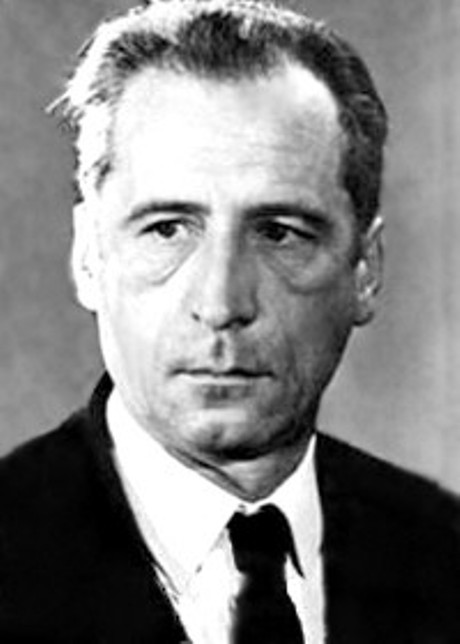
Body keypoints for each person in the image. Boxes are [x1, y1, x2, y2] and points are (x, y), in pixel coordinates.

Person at [1, 0, 459, 641]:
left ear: (365, 269)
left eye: (279, 232)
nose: (221, 304)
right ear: (88, 255)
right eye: (167, 229)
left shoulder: (444, 555)